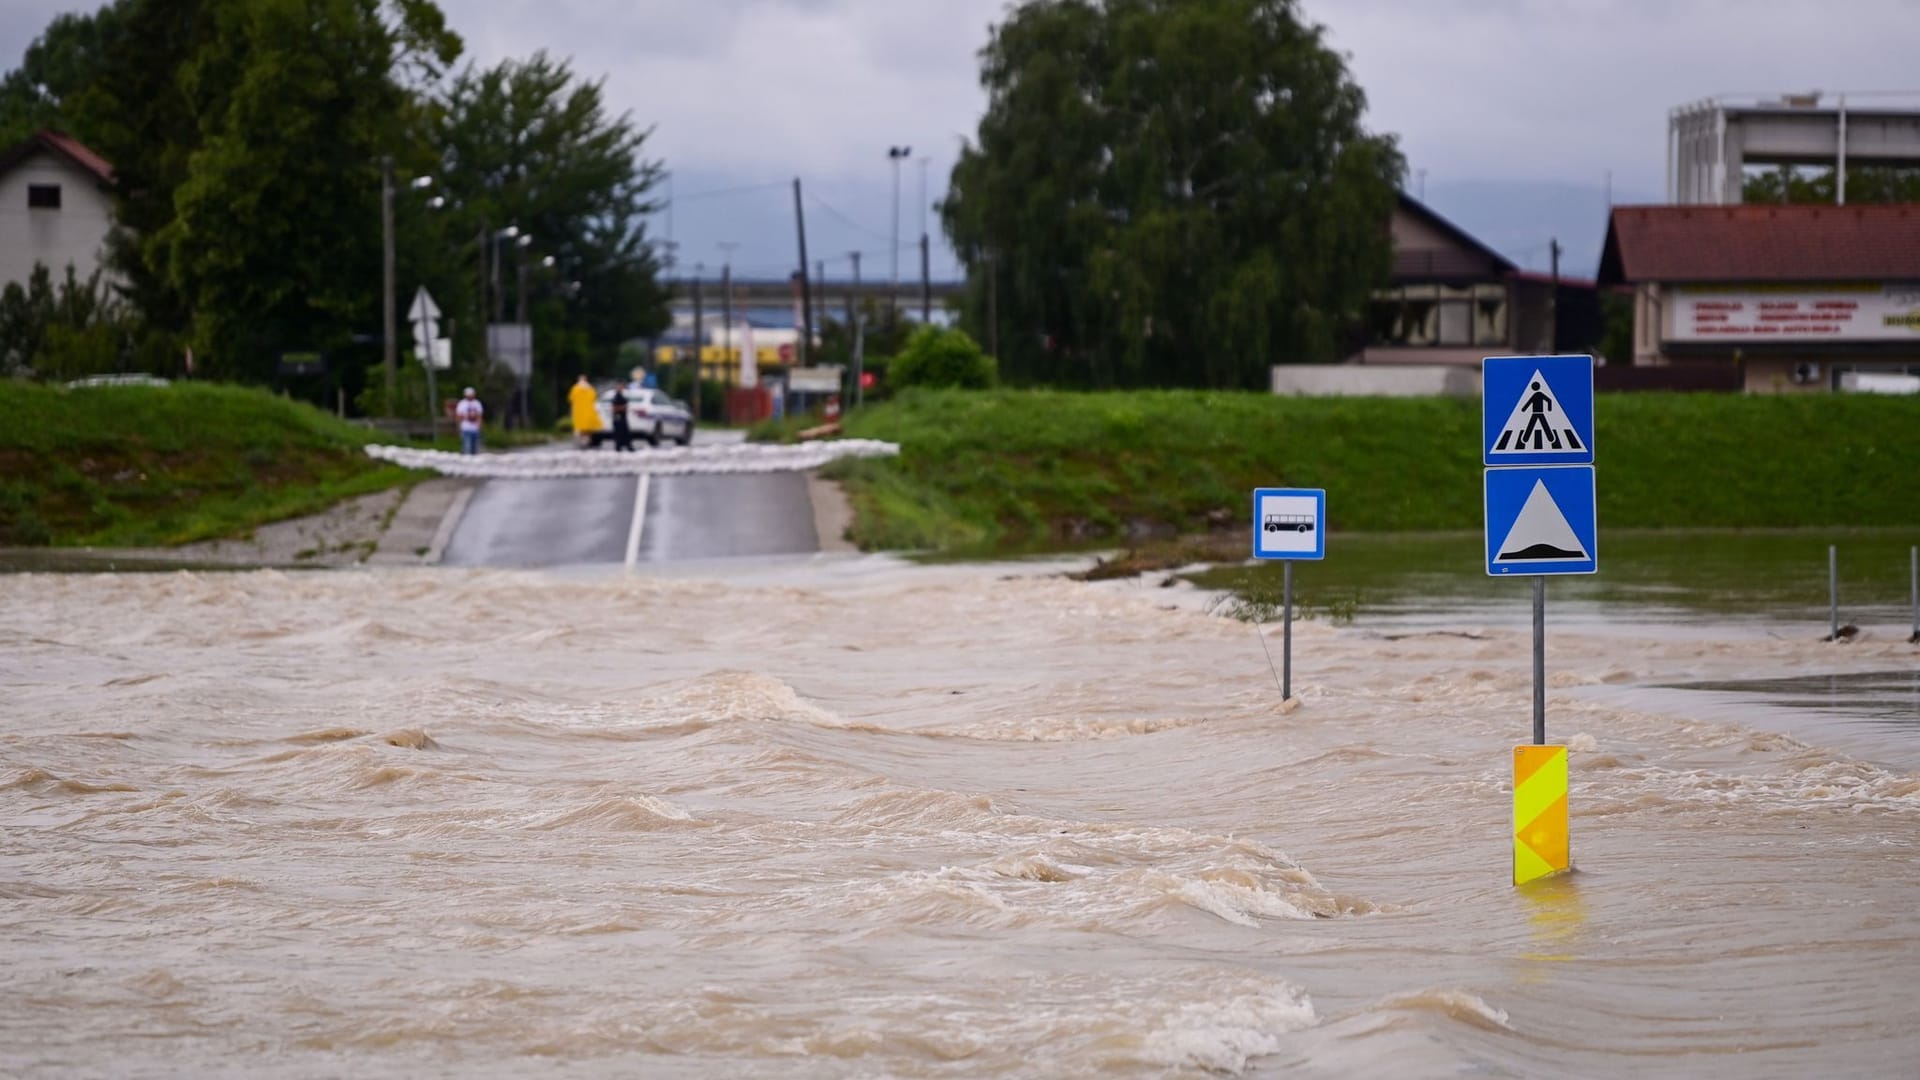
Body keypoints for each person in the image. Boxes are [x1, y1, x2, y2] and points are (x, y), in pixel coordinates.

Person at [568, 374, 603, 449]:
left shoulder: (576, 388)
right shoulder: (589, 389)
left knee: (583, 428)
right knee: (586, 428)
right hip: (585, 412)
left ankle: (584, 442)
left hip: (581, 412)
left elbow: (570, 399)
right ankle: (585, 442)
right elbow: (594, 398)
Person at [454, 387, 484, 455]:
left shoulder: (477, 403)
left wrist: (480, 425)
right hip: (465, 428)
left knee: (474, 448)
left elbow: (480, 415)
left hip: (475, 428)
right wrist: (459, 426)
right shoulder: (462, 403)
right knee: (466, 447)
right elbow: (458, 416)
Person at [610, 381, 634, 452]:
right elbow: (614, 408)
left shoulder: (621, 395)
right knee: (619, 433)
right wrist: (623, 407)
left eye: (621, 387)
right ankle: (619, 447)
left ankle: (627, 446)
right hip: (618, 417)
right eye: (619, 387)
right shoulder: (616, 397)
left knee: (625, 433)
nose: (621, 388)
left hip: (622, 417)